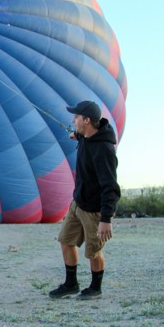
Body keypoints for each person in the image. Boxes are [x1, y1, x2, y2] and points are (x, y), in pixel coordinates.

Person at [49, 101, 121, 301]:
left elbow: (111, 188)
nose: (73, 120)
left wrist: (106, 219)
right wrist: (77, 135)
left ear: (87, 120)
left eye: (76, 117)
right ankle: (71, 284)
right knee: (65, 240)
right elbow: (81, 136)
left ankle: (95, 288)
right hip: (77, 202)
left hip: (94, 210)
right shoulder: (86, 136)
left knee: (93, 251)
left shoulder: (104, 150)